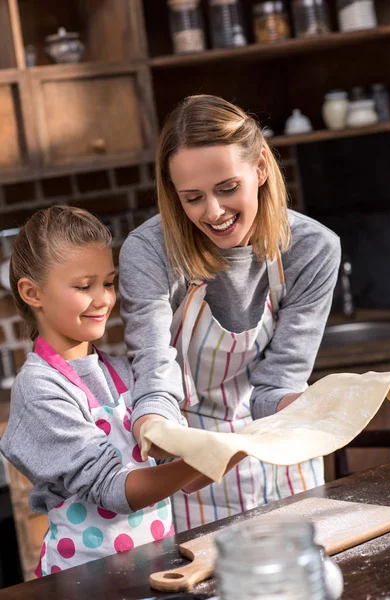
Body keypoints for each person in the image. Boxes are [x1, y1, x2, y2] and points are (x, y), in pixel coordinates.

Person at [119, 94, 341, 533]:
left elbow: (276, 385)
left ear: (260, 168)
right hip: (195, 471)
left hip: (283, 454)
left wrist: (328, 408)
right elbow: (155, 376)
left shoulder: (311, 249)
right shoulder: (149, 254)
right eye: (192, 198)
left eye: (227, 188)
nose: (214, 212)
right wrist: (153, 426)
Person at [0, 205, 211, 575]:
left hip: (155, 573)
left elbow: (180, 473)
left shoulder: (122, 371)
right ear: (33, 293)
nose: (103, 299)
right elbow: (115, 491)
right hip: (86, 582)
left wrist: (236, 448)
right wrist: (200, 459)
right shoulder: (39, 389)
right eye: (84, 286)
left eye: (108, 282)